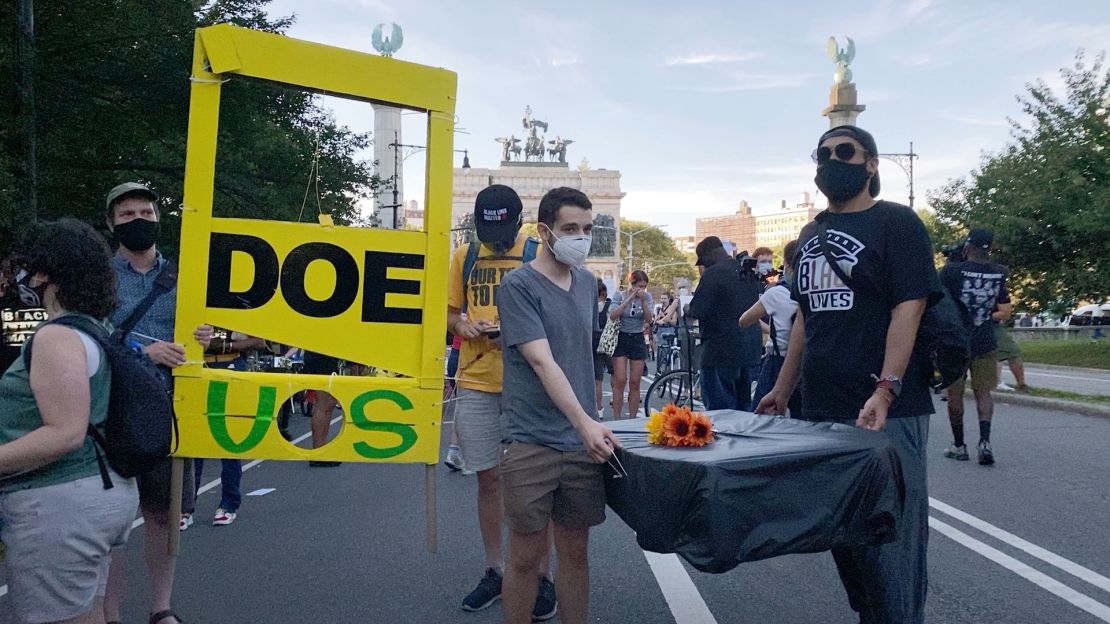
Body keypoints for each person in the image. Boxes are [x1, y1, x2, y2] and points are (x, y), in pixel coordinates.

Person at [756, 125, 941, 623]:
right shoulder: (810, 235)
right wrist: (781, 388)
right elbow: (803, 321)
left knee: (892, 550)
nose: (832, 161)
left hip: (885, 412)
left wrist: (887, 386)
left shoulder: (897, 224)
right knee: (849, 540)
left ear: (871, 164)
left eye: (845, 151)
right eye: (823, 154)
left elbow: (911, 306)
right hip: (823, 411)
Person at [0, 219, 140, 624]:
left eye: (23, 267)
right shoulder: (96, 329)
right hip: (98, 492)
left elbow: (64, 433)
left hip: (57, 502)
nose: (18, 277)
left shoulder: (55, 337)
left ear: (45, 272)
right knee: (87, 613)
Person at [498, 186, 621, 624]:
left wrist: (593, 419)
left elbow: (581, 354)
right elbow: (541, 360)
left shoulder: (588, 283)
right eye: (571, 229)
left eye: (587, 229)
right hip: (531, 440)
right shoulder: (518, 285)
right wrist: (586, 422)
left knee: (576, 554)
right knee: (526, 558)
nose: (581, 238)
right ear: (544, 231)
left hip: (580, 443)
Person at [102, 182, 213, 624]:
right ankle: (109, 614)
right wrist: (141, 353)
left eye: (145, 212)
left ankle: (160, 608)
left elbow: (206, 338)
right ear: (111, 224)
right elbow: (84, 335)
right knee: (110, 522)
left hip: (168, 408)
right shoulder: (97, 278)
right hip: (110, 407)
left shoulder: (186, 278)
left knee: (162, 516)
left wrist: (206, 336)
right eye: (127, 215)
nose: (138, 220)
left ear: (158, 218)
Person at [446, 184, 557, 620]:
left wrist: (512, 329)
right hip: (476, 379)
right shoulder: (465, 255)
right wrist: (463, 324)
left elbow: (552, 313)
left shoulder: (535, 252)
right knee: (487, 480)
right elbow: (450, 310)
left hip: (526, 384)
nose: (496, 238)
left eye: (503, 229)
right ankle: (496, 568)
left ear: (518, 220)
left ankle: (541, 576)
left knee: (533, 484)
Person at [940, 228, 1011, 465]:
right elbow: (1005, 309)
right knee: (984, 393)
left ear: (968, 247)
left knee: (955, 395)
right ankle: (985, 442)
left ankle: (959, 445)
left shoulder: (951, 272)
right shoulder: (999, 273)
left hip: (956, 343)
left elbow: (938, 302)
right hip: (986, 340)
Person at [192, 331, 268, 526]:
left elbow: (259, 341)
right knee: (192, 439)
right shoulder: (191, 304)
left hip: (231, 366)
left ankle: (228, 504)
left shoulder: (238, 306)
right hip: (195, 366)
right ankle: (185, 506)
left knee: (229, 438)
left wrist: (225, 346)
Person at [687, 237, 748, 411]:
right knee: (744, 411)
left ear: (711, 254)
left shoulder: (713, 274)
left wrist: (686, 308)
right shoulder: (744, 270)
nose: (703, 265)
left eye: (703, 260)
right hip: (746, 350)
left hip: (718, 351)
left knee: (720, 411)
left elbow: (697, 309)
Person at [741, 239, 800, 414]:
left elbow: (744, 320)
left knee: (761, 414)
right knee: (803, 418)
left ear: (787, 264)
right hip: (804, 361)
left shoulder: (776, 293)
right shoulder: (813, 292)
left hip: (777, 360)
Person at [608, 270, 653, 419]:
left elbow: (649, 319)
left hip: (637, 338)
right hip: (621, 337)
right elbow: (613, 315)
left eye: (644, 286)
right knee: (620, 380)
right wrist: (629, 299)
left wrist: (644, 301)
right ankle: (617, 418)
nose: (642, 289)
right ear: (632, 284)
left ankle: (633, 418)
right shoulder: (619, 295)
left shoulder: (647, 297)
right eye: (640, 286)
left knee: (635, 381)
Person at [593, 279, 613, 418]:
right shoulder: (608, 306)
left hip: (591, 342)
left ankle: (597, 407)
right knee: (614, 373)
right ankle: (604, 404)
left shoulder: (588, 306)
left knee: (595, 379)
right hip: (606, 343)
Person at [994, 321, 1029, 392]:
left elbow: (1005, 314)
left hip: (994, 326)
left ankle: (1021, 385)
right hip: (984, 325)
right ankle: (996, 383)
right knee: (999, 353)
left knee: (1012, 353)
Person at [654, 292, 679, 373]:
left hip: (669, 329)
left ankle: (667, 369)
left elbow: (674, 322)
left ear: (669, 299)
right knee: (660, 351)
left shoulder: (672, 308)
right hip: (660, 330)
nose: (663, 300)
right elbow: (655, 321)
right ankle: (659, 371)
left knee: (668, 351)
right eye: (662, 298)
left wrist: (666, 318)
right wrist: (658, 316)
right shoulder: (659, 309)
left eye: (665, 298)